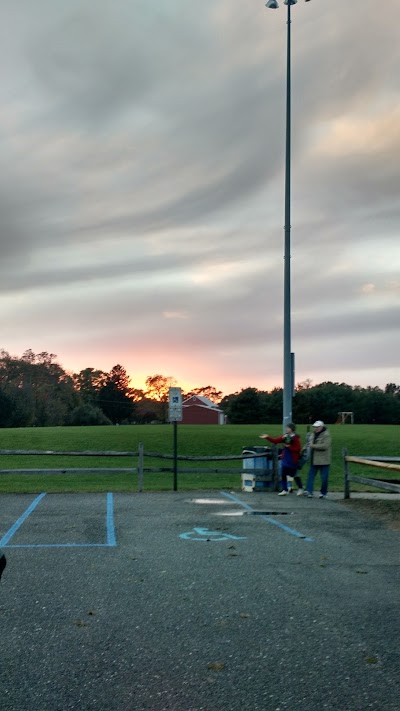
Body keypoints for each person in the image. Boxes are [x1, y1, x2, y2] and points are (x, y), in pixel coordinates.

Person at [259, 424, 304, 496]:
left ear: (292, 429)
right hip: (285, 458)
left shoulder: (295, 438)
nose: (286, 429)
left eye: (288, 428)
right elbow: (275, 441)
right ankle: (284, 489)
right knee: (283, 474)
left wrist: (289, 447)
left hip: (292, 459)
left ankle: (300, 488)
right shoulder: (285, 436)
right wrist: (267, 437)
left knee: (294, 474)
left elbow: (297, 449)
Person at [304, 420, 332, 498]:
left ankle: (323, 492)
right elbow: (309, 443)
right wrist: (304, 448)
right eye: (314, 427)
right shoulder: (313, 434)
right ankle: (309, 491)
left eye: (317, 427)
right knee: (310, 475)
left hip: (323, 460)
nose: (315, 428)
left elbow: (325, 446)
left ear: (321, 427)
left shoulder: (326, 435)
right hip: (314, 459)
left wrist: (313, 446)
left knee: (324, 478)